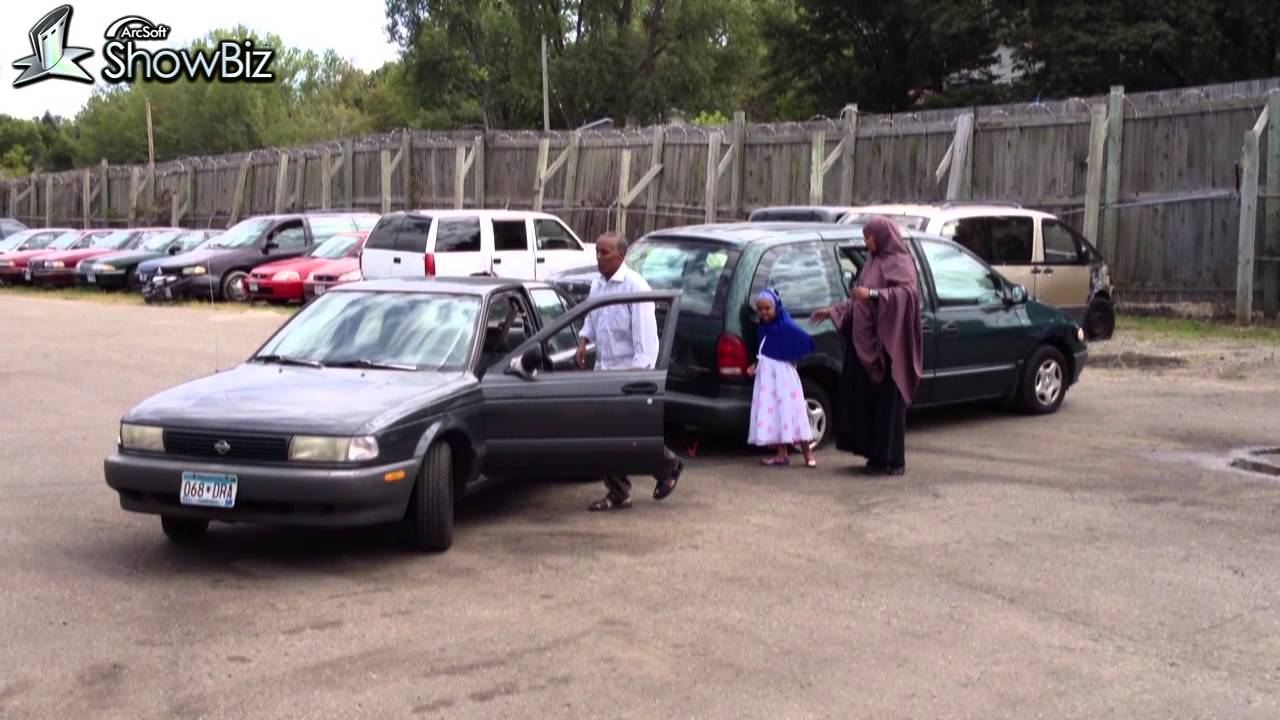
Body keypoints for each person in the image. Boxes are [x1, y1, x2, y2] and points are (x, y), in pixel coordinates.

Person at [575, 233, 683, 511]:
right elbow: (591, 318)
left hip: (627, 374)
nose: (599, 258)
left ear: (621, 256)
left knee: (626, 433)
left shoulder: (635, 287)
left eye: (605, 253)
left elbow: (645, 340)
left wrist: (638, 379)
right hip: (604, 370)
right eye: (597, 252)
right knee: (606, 434)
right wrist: (584, 340)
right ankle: (619, 491)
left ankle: (666, 465)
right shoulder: (598, 285)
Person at [811, 217, 923, 475]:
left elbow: (907, 296)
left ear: (882, 236)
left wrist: (872, 294)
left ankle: (893, 460)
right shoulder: (872, 262)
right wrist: (833, 311)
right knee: (866, 401)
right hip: (864, 344)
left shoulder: (900, 262)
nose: (866, 242)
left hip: (889, 347)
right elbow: (858, 300)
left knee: (888, 404)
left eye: (868, 237)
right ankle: (874, 456)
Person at [747, 288, 818, 468]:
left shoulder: (785, 326)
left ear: (776, 307)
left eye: (767, 308)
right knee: (776, 413)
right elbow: (763, 350)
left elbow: (804, 340)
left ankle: (807, 453)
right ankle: (781, 454)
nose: (764, 313)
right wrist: (755, 365)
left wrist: (793, 356)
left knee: (794, 411)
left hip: (784, 379)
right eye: (760, 309)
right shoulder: (763, 328)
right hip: (767, 380)